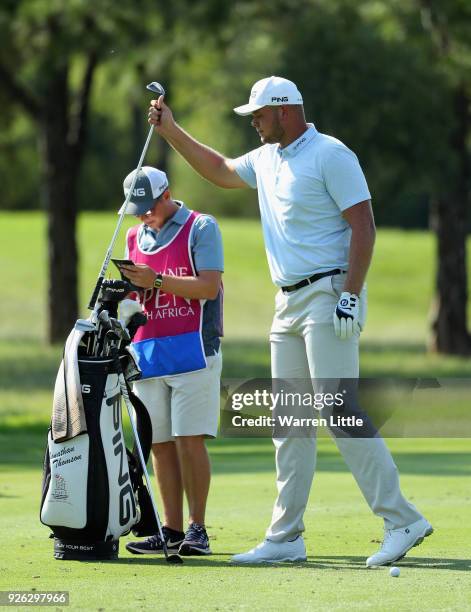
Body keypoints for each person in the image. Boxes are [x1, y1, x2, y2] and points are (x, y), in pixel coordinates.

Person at [147, 76, 434, 566]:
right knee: (291, 421)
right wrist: (171, 130)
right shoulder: (266, 159)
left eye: (258, 115)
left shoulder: (331, 154)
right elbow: (218, 169)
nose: (254, 124)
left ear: (284, 110)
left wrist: (350, 295)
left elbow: (363, 224)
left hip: (329, 293)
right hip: (288, 303)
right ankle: (286, 537)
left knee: (338, 409)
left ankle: (401, 519)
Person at [119, 166, 224, 556]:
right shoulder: (133, 236)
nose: (143, 215)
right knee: (160, 443)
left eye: (148, 207)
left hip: (195, 350)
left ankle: (198, 530)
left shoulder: (201, 226)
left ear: (166, 195)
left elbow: (209, 287)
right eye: (137, 209)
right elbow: (136, 296)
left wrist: (156, 281)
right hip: (148, 352)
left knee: (188, 439)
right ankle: (171, 530)